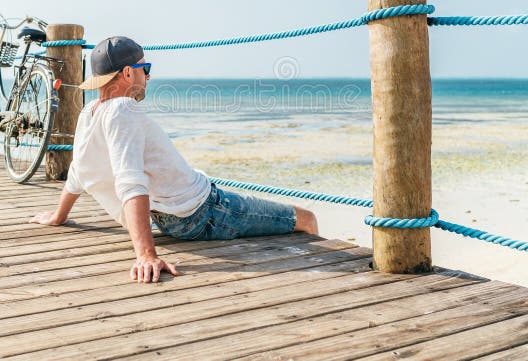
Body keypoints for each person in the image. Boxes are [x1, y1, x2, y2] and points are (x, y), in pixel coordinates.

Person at [30, 36, 318, 283]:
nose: (149, 77)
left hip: (172, 216)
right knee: (305, 218)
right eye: (146, 69)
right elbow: (131, 182)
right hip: (206, 212)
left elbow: (79, 173)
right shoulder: (124, 110)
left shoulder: (90, 112)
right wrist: (146, 255)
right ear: (128, 73)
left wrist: (59, 216)